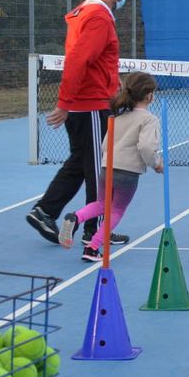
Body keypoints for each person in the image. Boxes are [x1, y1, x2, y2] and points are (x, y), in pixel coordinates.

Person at [27, 0, 131, 247]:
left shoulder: (88, 13)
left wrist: (113, 79)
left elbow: (94, 59)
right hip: (90, 106)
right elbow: (77, 60)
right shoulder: (98, 17)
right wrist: (64, 103)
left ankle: (45, 211)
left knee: (79, 163)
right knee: (99, 170)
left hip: (88, 102)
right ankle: (94, 231)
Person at [58, 72, 163, 262]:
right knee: (116, 211)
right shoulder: (149, 119)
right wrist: (156, 163)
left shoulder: (118, 116)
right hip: (128, 172)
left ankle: (76, 217)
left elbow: (105, 144)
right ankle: (92, 248)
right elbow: (147, 147)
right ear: (149, 95)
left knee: (101, 204)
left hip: (107, 167)